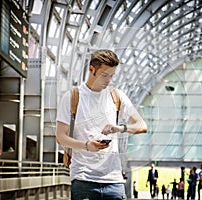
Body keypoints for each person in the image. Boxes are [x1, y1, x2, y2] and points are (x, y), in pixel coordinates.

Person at [56, 49, 147, 200]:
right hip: (83, 179)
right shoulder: (73, 96)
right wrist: (86, 145)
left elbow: (141, 125)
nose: (108, 80)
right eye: (104, 75)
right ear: (91, 69)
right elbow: (60, 137)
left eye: (111, 75)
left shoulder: (116, 96)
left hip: (114, 181)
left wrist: (119, 128)